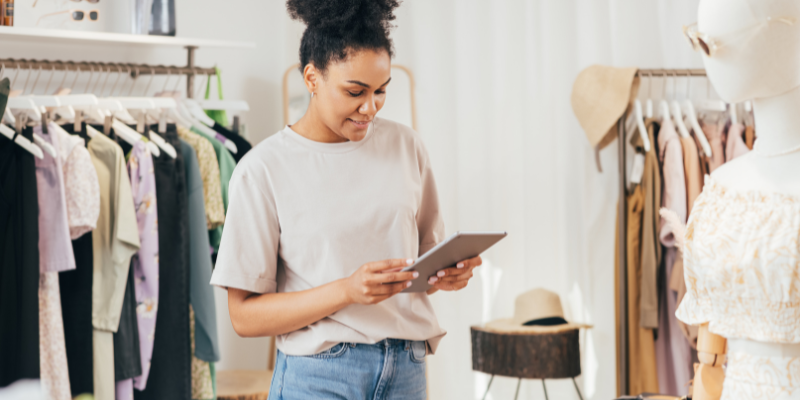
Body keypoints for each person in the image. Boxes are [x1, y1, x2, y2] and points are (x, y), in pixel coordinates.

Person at [209, 0, 483, 398]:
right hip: (319, 376)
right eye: (355, 91)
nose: (369, 107)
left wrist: (446, 274)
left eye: (381, 91)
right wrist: (347, 290)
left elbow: (422, 265)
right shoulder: (262, 169)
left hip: (406, 369)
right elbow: (244, 316)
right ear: (312, 78)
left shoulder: (406, 147)